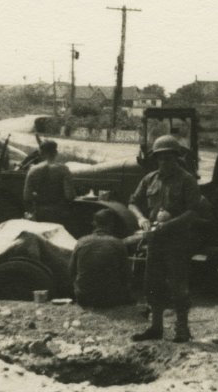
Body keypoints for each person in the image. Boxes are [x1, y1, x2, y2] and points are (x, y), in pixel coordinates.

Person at [128, 135, 206, 342]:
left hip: (177, 241)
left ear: (176, 158)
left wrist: (168, 225)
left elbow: (194, 212)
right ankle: (156, 327)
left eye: (169, 158)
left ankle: (181, 329)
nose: (164, 162)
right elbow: (133, 202)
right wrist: (142, 219)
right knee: (152, 283)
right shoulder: (150, 179)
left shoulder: (187, 180)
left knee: (178, 284)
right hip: (155, 240)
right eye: (161, 158)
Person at [69, 209, 132, 308]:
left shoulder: (81, 241)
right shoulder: (118, 243)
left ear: (94, 223)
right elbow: (127, 275)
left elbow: (71, 271)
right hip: (111, 298)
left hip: (84, 297)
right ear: (111, 224)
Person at [23, 140, 75, 223]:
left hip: (40, 212)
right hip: (59, 212)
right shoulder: (63, 169)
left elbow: (27, 196)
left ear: (41, 153)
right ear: (56, 152)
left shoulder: (33, 170)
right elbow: (69, 196)